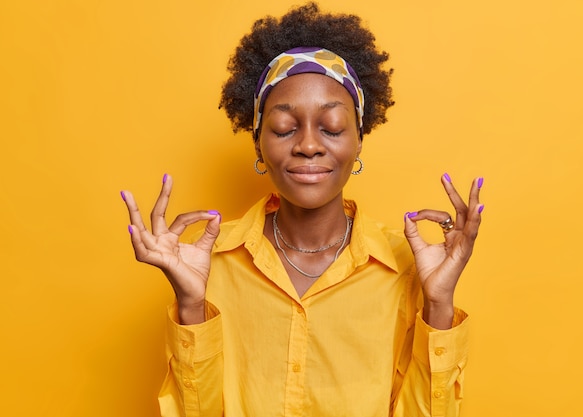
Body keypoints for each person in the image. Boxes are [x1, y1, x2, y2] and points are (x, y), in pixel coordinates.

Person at [121, 3, 484, 416]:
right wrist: (190, 305)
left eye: (331, 127)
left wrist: (438, 304)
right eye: (283, 128)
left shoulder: (409, 267)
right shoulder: (207, 261)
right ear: (258, 141)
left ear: (359, 140)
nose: (309, 145)